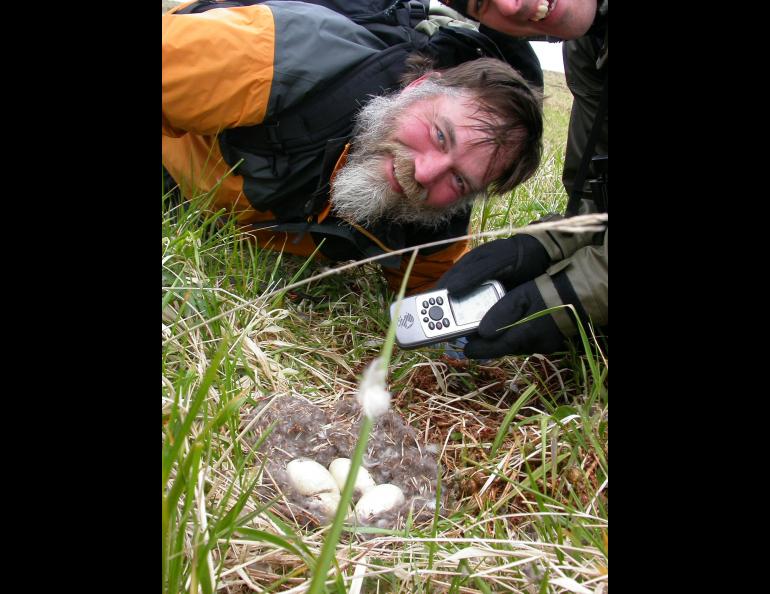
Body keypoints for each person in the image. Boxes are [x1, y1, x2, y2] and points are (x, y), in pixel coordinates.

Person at [162, 0, 545, 294]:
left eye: (460, 180)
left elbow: (434, 288)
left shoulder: (434, 215)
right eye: (440, 135)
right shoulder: (278, 59)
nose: (426, 172)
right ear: (416, 88)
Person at [435, 0, 607, 358]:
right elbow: (596, 195)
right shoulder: (589, 46)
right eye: (481, 4)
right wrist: (543, 246)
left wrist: (576, 293)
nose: (511, 5)